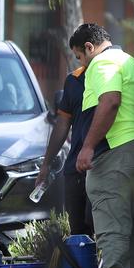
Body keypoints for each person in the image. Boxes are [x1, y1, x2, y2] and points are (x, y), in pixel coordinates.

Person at [69, 23, 134, 268]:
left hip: (116, 152)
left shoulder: (102, 63)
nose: (81, 64)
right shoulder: (131, 62)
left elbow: (110, 101)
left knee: (111, 223)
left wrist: (87, 146)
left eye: (79, 57)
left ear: (89, 48)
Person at [35, 65, 96, 236]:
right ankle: (82, 262)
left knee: (103, 227)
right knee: (79, 232)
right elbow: (62, 123)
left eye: (80, 55)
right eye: (77, 56)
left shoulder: (119, 73)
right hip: (76, 169)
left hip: (105, 165)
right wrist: (46, 164)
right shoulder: (75, 79)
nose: (81, 61)